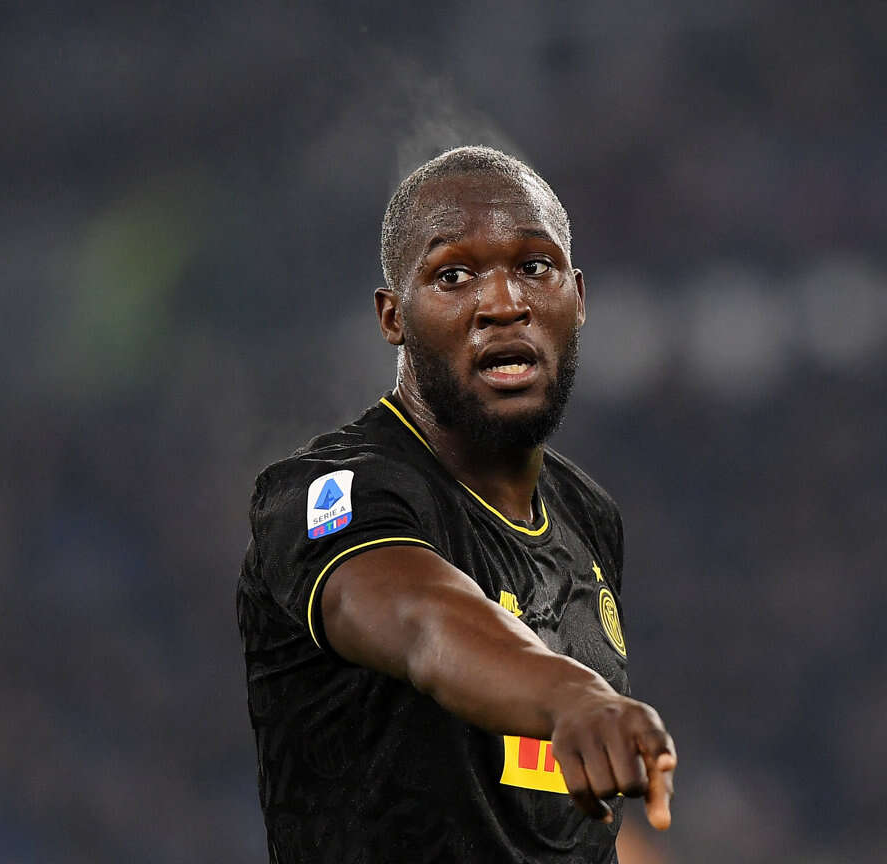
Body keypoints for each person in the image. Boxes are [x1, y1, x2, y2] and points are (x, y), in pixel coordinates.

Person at [237, 146, 676, 863]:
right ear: (393, 317)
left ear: (578, 298)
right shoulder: (329, 491)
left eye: (535, 266)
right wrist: (571, 695)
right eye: (453, 276)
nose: (503, 304)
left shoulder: (587, 515)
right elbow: (423, 625)